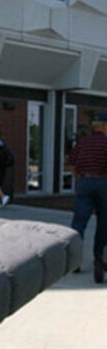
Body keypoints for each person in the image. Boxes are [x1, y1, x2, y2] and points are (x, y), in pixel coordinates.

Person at [68, 113, 107, 284]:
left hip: (85, 182)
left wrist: (80, 176)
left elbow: (71, 162)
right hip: (103, 183)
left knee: (79, 222)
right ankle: (98, 258)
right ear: (105, 126)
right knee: (103, 223)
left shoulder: (82, 143)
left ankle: (74, 260)